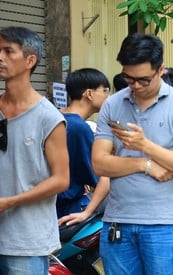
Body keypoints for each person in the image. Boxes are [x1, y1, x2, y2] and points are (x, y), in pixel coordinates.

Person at [92, 33, 173, 274]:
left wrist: (144, 145)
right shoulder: (112, 104)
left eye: (144, 80)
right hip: (117, 222)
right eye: (128, 79)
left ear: (160, 69)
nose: (136, 86)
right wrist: (144, 164)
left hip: (165, 225)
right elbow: (99, 164)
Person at [0, 26, 70, 273]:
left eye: (8, 51)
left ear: (30, 60)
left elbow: (61, 180)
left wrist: (9, 201)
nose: (0, 57)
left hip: (26, 243)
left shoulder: (48, 117)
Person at [56, 68, 111, 226]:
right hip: (66, 209)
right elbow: (103, 177)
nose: (108, 97)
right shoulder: (78, 127)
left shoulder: (55, 117)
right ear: (89, 94)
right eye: (104, 90)